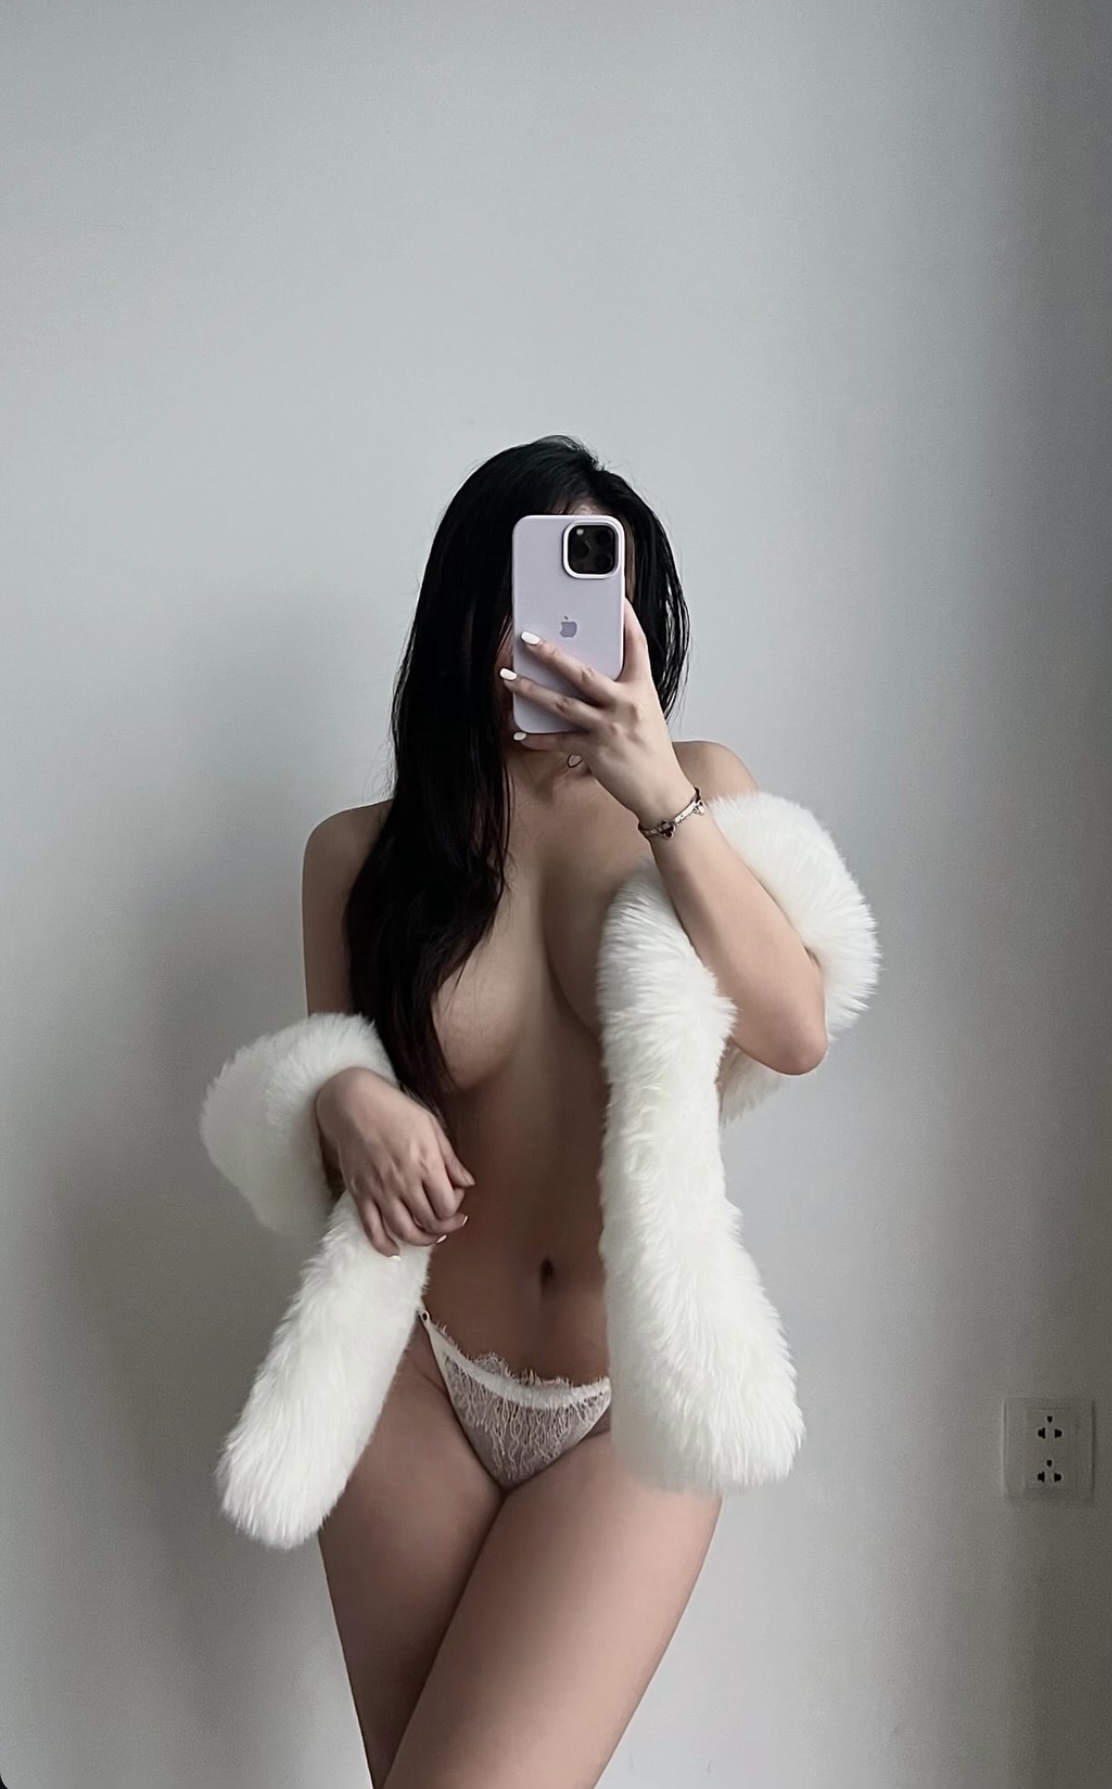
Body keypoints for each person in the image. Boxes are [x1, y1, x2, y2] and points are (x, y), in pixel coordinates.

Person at [296, 435, 833, 1787]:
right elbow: (332, 1125)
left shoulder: (704, 790)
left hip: (629, 1400)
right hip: (413, 1377)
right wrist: (344, 1093)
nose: (559, 632)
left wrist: (659, 798)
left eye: (599, 594)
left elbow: (796, 1028)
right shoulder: (360, 853)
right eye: (527, 595)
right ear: (468, 613)